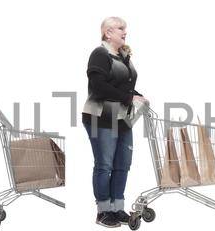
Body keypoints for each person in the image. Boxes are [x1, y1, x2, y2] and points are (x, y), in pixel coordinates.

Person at [83, 16, 145, 228]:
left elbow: (123, 85)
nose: (125, 32)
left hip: (122, 117)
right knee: (104, 165)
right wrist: (129, 98)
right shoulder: (100, 54)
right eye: (120, 28)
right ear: (108, 32)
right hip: (100, 116)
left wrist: (138, 95)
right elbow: (99, 86)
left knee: (123, 165)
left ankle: (117, 208)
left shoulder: (123, 55)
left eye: (125, 28)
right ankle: (103, 212)